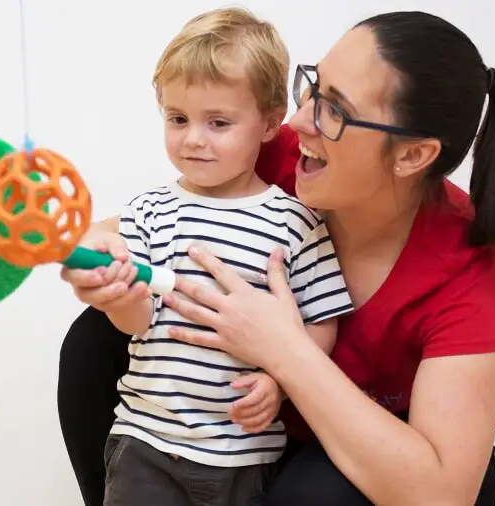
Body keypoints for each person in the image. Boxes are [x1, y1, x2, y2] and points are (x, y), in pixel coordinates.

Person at [58, 9, 495, 506]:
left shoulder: (465, 261)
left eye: (335, 110)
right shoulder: (283, 155)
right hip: (267, 430)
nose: (297, 120)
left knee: (314, 494)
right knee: (92, 342)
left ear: (411, 155)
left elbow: (441, 493)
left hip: (396, 468)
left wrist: (283, 349)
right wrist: (99, 254)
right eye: (313, 87)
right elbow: (147, 224)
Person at [89, 8, 355, 506]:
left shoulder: (297, 222)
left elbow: (321, 323)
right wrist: (118, 295)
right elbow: (136, 321)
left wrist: (279, 382)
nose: (193, 138)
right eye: (178, 119)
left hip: (243, 456)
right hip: (146, 444)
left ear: (270, 123)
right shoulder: (150, 211)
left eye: (218, 122)